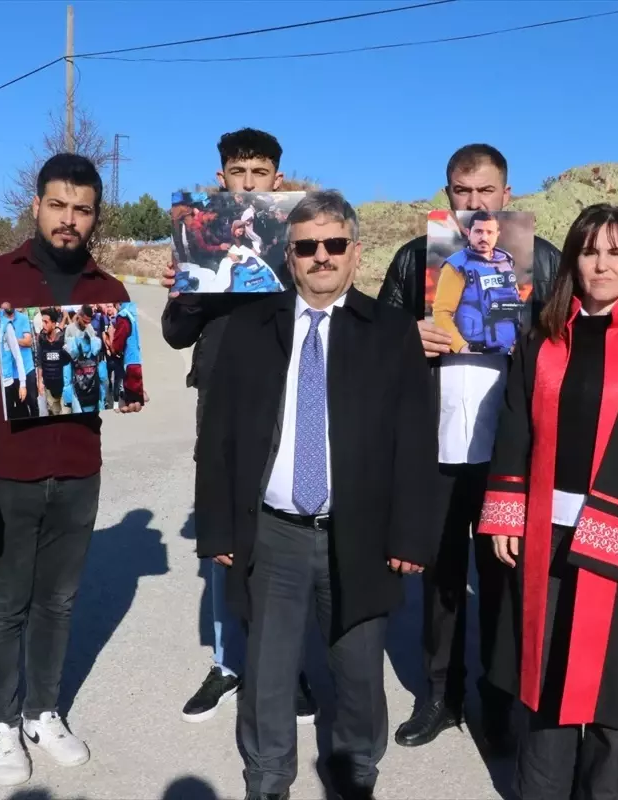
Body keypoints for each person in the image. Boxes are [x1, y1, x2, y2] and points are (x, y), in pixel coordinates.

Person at [195, 190, 438, 800]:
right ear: (290, 256)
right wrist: (219, 529)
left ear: (356, 252)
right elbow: (217, 433)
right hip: (273, 531)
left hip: (358, 529)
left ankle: (356, 774)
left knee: (358, 672)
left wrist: (411, 533)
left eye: (334, 244)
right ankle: (268, 778)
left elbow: (415, 439)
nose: (321, 257)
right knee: (268, 672)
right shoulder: (250, 328)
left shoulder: (391, 332)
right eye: (307, 247)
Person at [476, 203, 618, 799]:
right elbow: (514, 429)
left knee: (615, 688)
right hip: (546, 537)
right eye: (588, 251)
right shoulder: (544, 336)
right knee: (547, 677)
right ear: (572, 261)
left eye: (615, 251)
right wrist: (504, 510)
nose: (600, 264)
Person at [0, 153, 147, 787]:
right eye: (57, 205)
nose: (68, 219)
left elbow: (119, 377)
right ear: (35, 207)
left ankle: (42, 710)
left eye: (81, 209)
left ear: (94, 217)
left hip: (78, 471)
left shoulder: (108, 294)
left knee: (58, 603)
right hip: (4, 470)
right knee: (4, 605)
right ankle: (0, 722)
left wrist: (128, 386)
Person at [377, 143, 560, 752]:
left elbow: (569, 349)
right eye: (463, 190)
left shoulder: (542, 261)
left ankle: (499, 700)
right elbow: (375, 344)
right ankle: (441, 696)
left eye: (486, 191)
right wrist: (411, 336)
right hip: (437, 447)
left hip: (509, 450)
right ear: (447, 194)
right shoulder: (416, 260)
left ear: (508, 196)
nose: (475, 202)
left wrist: (529, 340)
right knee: (440, 579)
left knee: (504, 578)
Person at [160, 128, 318, 726]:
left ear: (278, 179)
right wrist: (194, 290)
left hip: (287, 395)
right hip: (219, 398)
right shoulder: (198, 238)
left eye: (258, 172)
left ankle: (289, 663)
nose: (247, 182)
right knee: (223, 535)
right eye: (236, 172)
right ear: (220, 178)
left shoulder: (297, 237)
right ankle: (228, 663)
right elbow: (175, 333)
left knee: (287, 528)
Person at [432, 210, 521, 354]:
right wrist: (462, 348)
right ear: (469, 232)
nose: (484, 237)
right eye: (478, 231)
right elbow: (441, 313)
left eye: (489, 232)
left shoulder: (505, 262)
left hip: (510, 351)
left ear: (497, 234)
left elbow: (516, 303)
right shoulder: (457, 265)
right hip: (474, 351)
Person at [37, 307, 72, 415]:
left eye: (46, 322)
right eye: (42, 322)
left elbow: (71, 359)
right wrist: (39, 381)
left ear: (53, 324)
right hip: (49, 388)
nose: (43, 325)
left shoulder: (63, 339)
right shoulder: (42, 340)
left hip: (64, 387)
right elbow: (40, 362)